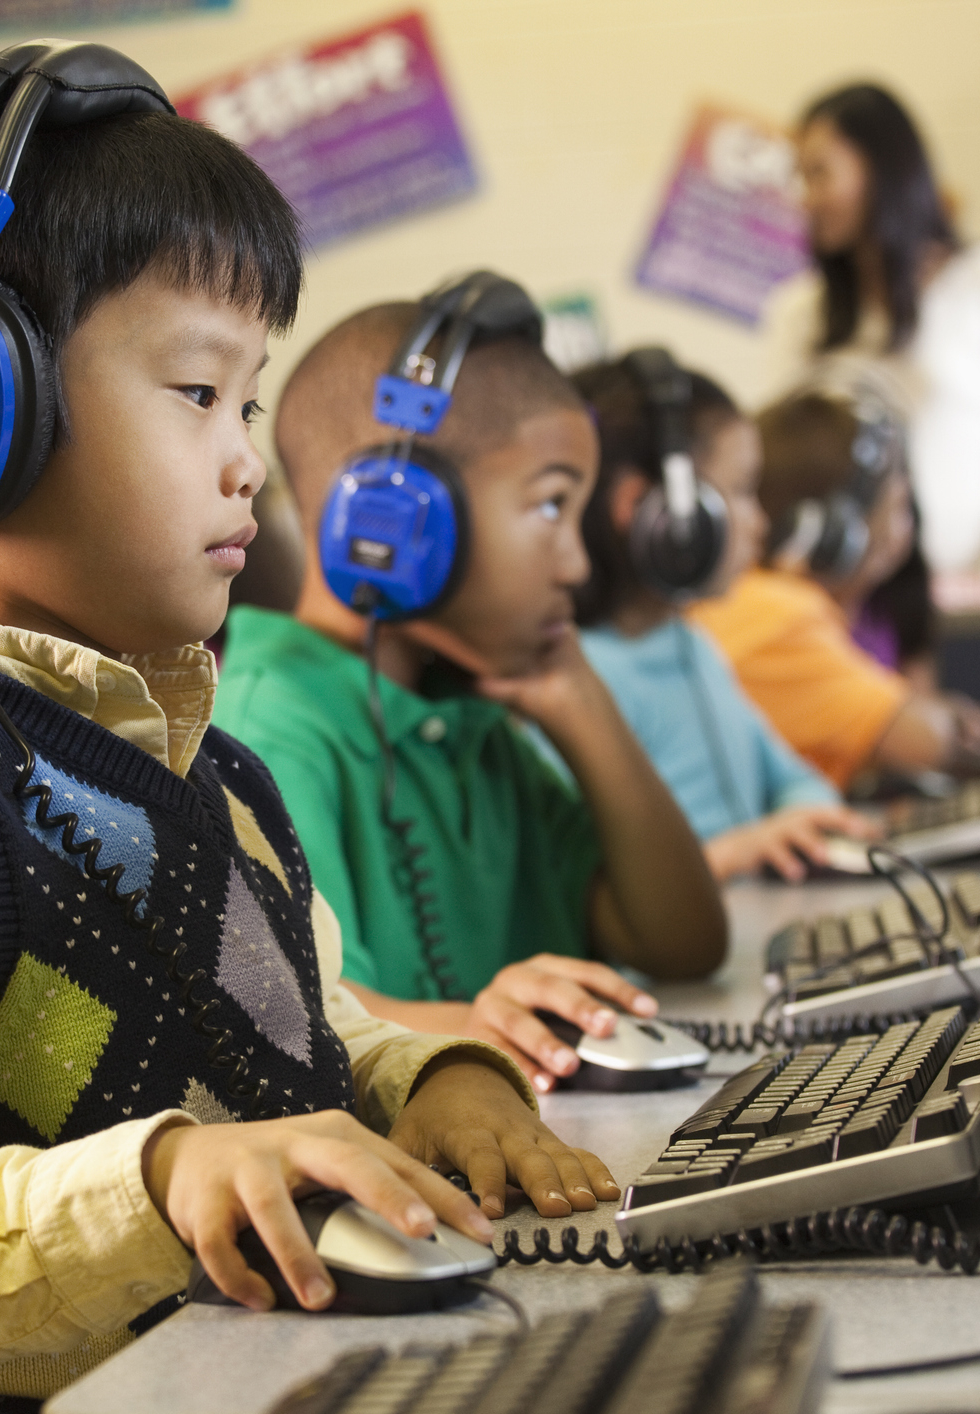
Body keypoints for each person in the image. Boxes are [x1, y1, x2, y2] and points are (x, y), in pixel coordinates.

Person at [0, 48, 619, 1412]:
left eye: (250, 401)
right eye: (198, 393)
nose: (247, 456)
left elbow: (296, 1039)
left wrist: (441, 1074)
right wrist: (158, 1182)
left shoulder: (208, 772)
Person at [212, 280, 729, 1095]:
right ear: (387, 520)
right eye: (551, 506)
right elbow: (309, 1018)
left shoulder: (471, 716)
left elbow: (685, 941)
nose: (579, 565)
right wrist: (482, 1022)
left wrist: (581, 708)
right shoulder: (268, 731)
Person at [761, 82, 980, 610]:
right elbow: (779, 468)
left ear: (882, 171)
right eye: (800, 178)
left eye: (820, 173)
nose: (806, 198)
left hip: (971, 606)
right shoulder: (797, 311)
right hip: (840, 617)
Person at [566, 350, 877, 881]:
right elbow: (594, 898)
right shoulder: (582, 682)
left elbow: (797, 782)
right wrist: (735, 853)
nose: (759, 523)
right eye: (739, 491)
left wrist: (798, 815)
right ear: (652, 508)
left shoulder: (691, 644)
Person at [689, 384, 980, 790]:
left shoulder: (750, 599)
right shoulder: (778, 614)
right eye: (899, 506)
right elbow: (928, 741)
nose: (905, 528)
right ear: (835, 533)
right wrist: (946, 716)